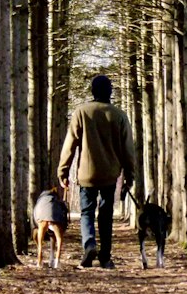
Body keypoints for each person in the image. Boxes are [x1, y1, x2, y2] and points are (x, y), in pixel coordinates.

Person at [58, 74, 135, 269]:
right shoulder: (119, 115)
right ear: (110, 92)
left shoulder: (81, 112)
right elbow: (127, 149)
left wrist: (63, 172)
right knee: (106, 215)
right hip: (110, 174)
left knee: (86, 213)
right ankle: (105, 257)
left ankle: (89, 244)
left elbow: (70, 145)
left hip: (86, 175)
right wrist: (130, 175)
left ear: (92, 91)